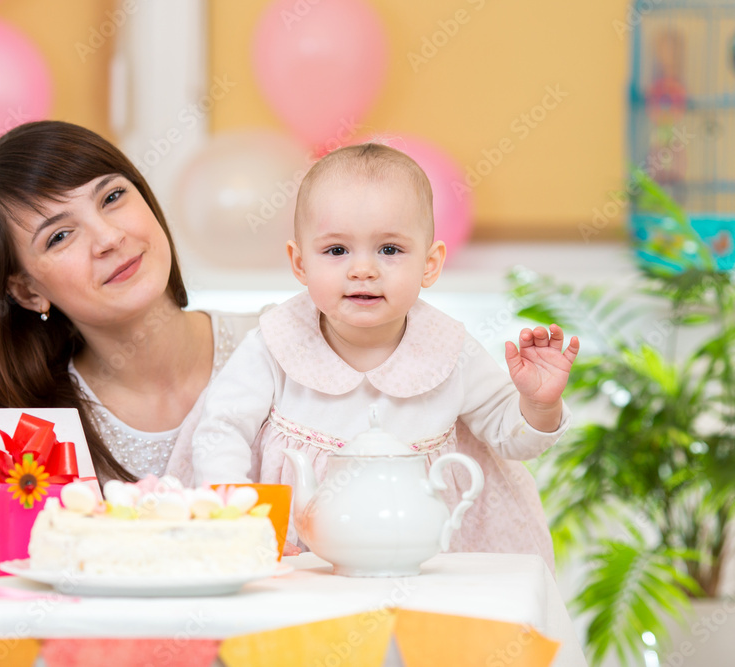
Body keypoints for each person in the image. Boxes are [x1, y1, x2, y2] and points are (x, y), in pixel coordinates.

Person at [191, 143, 580, 570]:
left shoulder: (448, 348)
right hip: (298, 561)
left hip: (421, 562)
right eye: (337, 251)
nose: (363, 269)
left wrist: (538, 404)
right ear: (299, 263)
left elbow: (510, 440)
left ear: (430, 265)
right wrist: (234, 519)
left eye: (389, 250)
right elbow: (222, 428)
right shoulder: (276, 341)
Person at [0, 121, 258, 484]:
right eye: (60, 236)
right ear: (28, 293)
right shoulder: (30, 440)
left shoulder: (280, 346)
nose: (109, 238)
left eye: (111, 197)